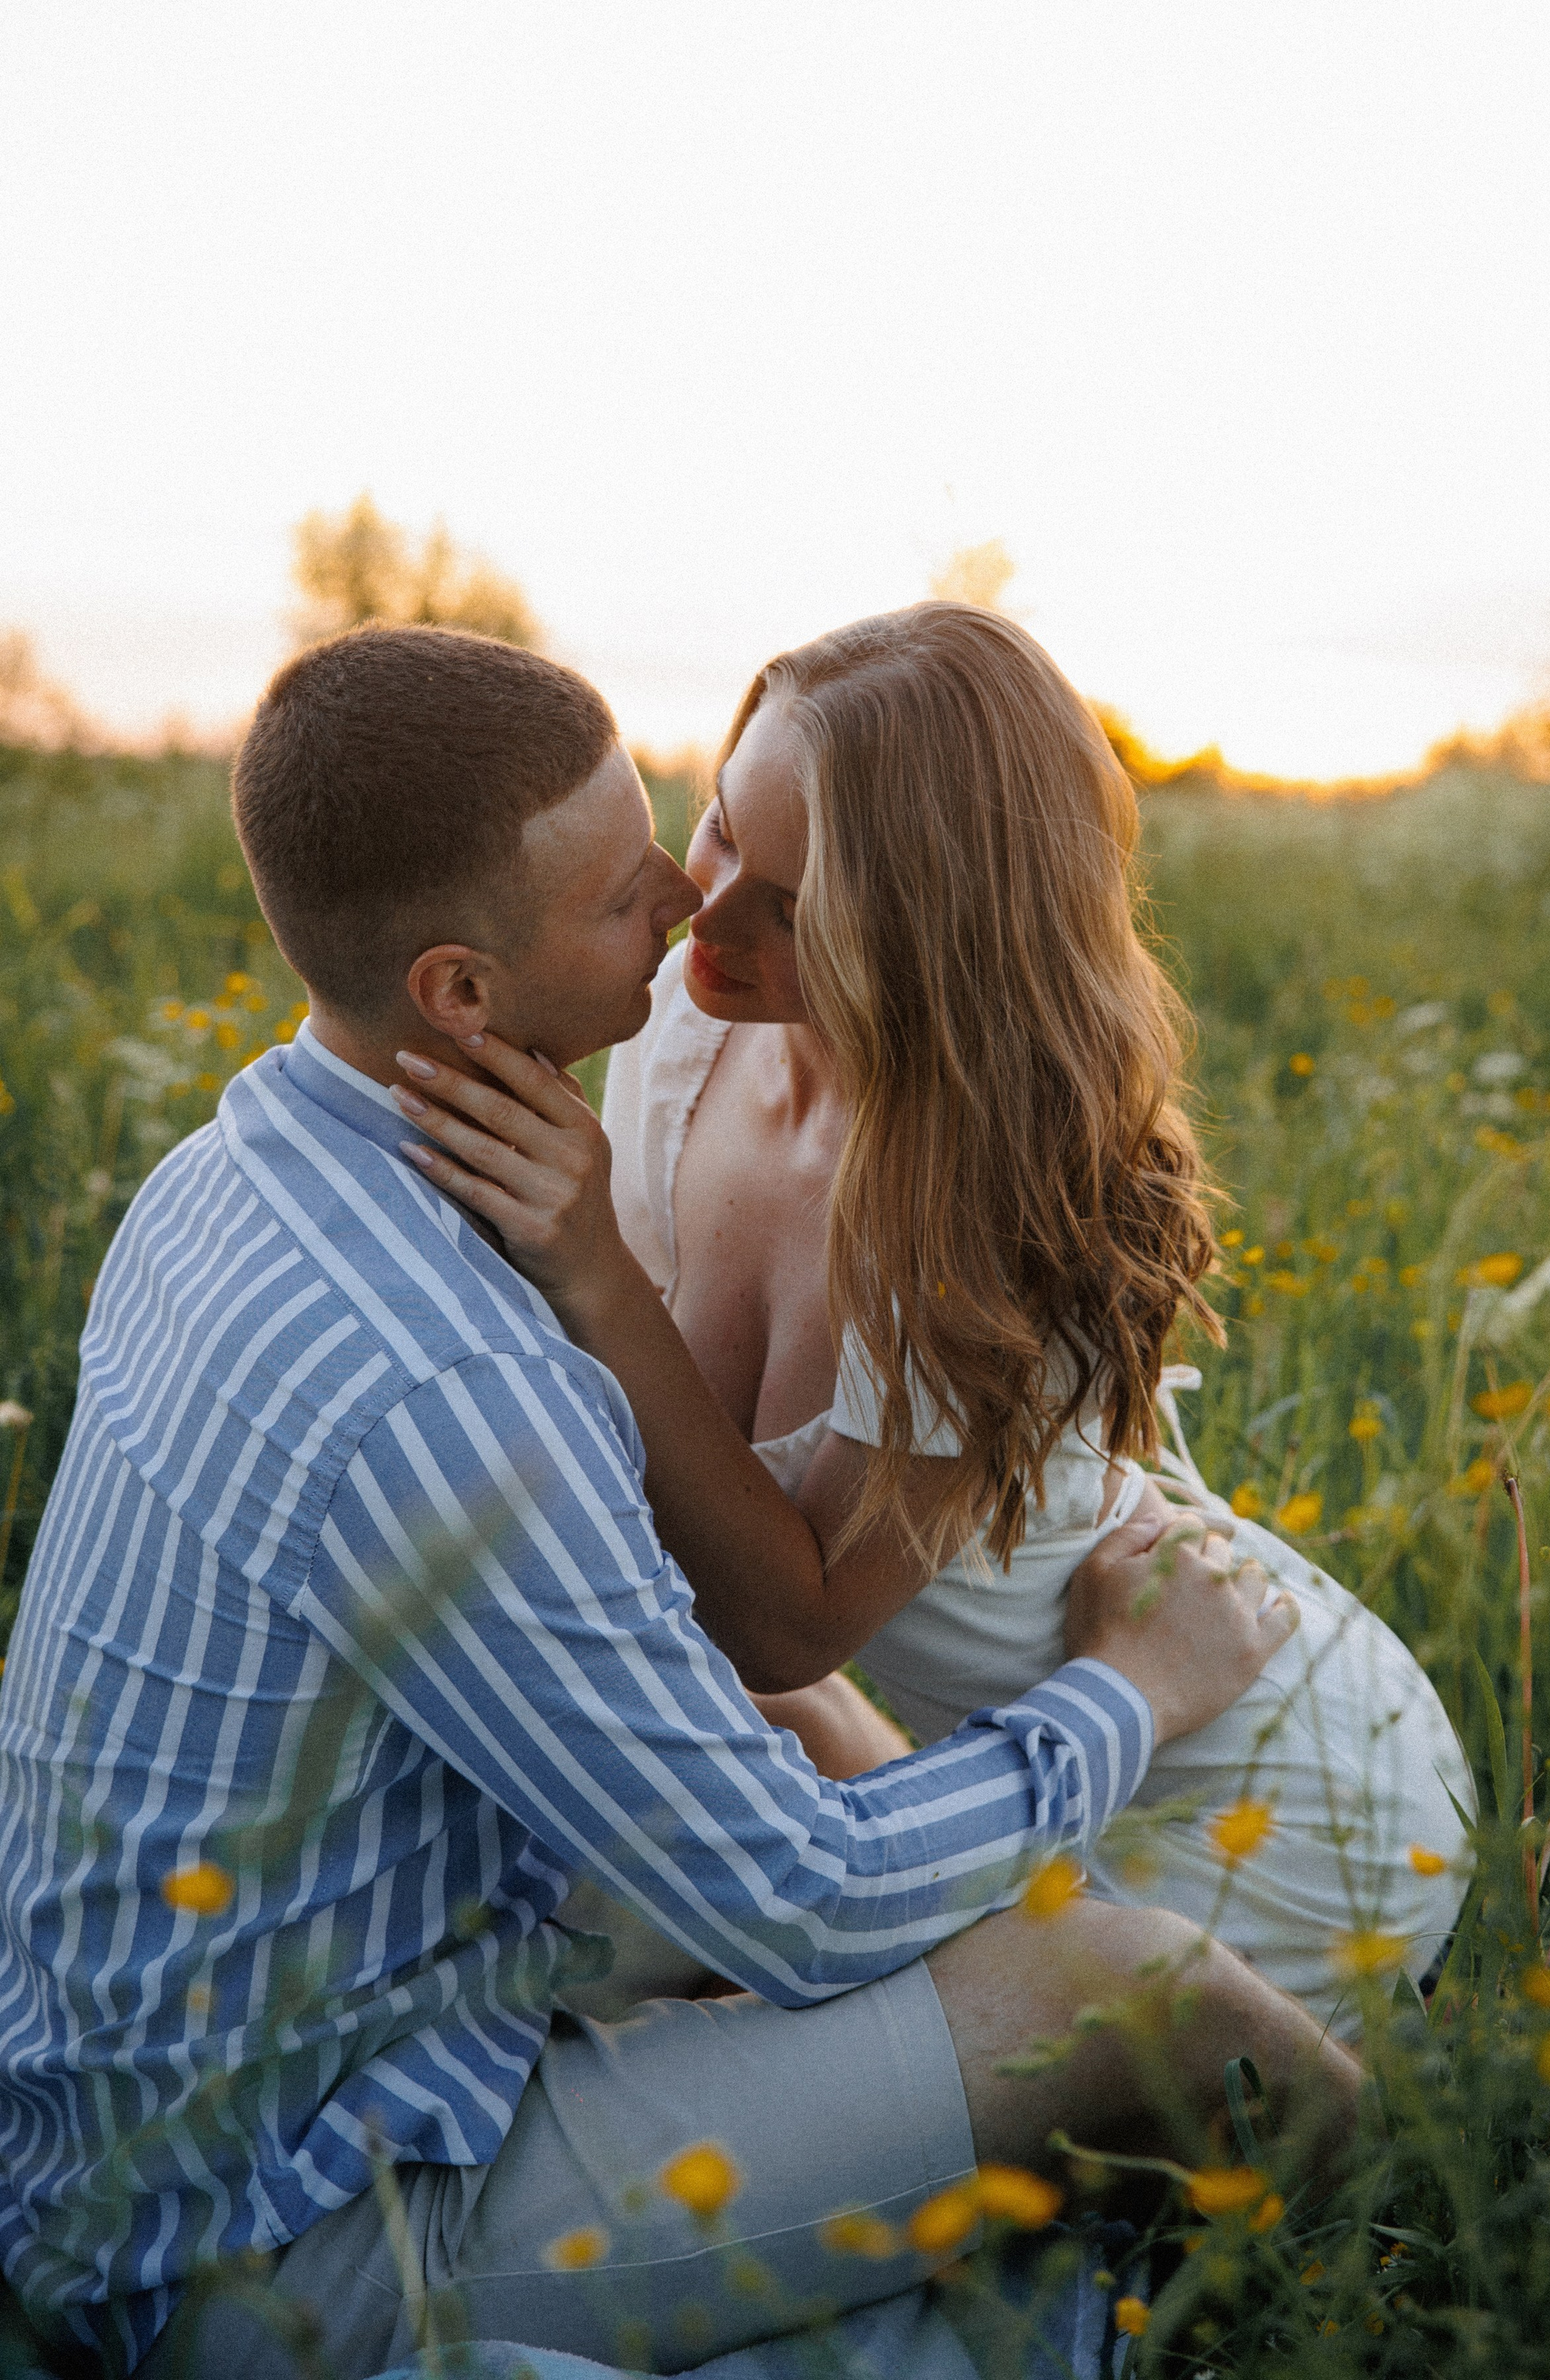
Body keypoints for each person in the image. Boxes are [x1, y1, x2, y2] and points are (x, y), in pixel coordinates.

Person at [0, 625, 1355, 2380]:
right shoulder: (447, 1387)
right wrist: (1133, 1688)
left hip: (181, 2069)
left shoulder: (229, 1170)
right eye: (616, 882)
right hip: (273, 2232)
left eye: (674, 823)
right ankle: (1434, 2248)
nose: (680, 893)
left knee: (811, 1763)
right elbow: (796, 1907)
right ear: (460, 994)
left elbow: (688, 1635)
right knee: (1130, 1997)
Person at [399, 605, 1475, 2040]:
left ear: (936, 941)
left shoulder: (982, 1210)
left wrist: (588, 1259)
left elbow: (788, 1621)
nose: (702, 919)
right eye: (719, 831)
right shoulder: (688, 1025)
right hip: (1028, 1746)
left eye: (794, 910)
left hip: (1263, 1810)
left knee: (817, 2064)